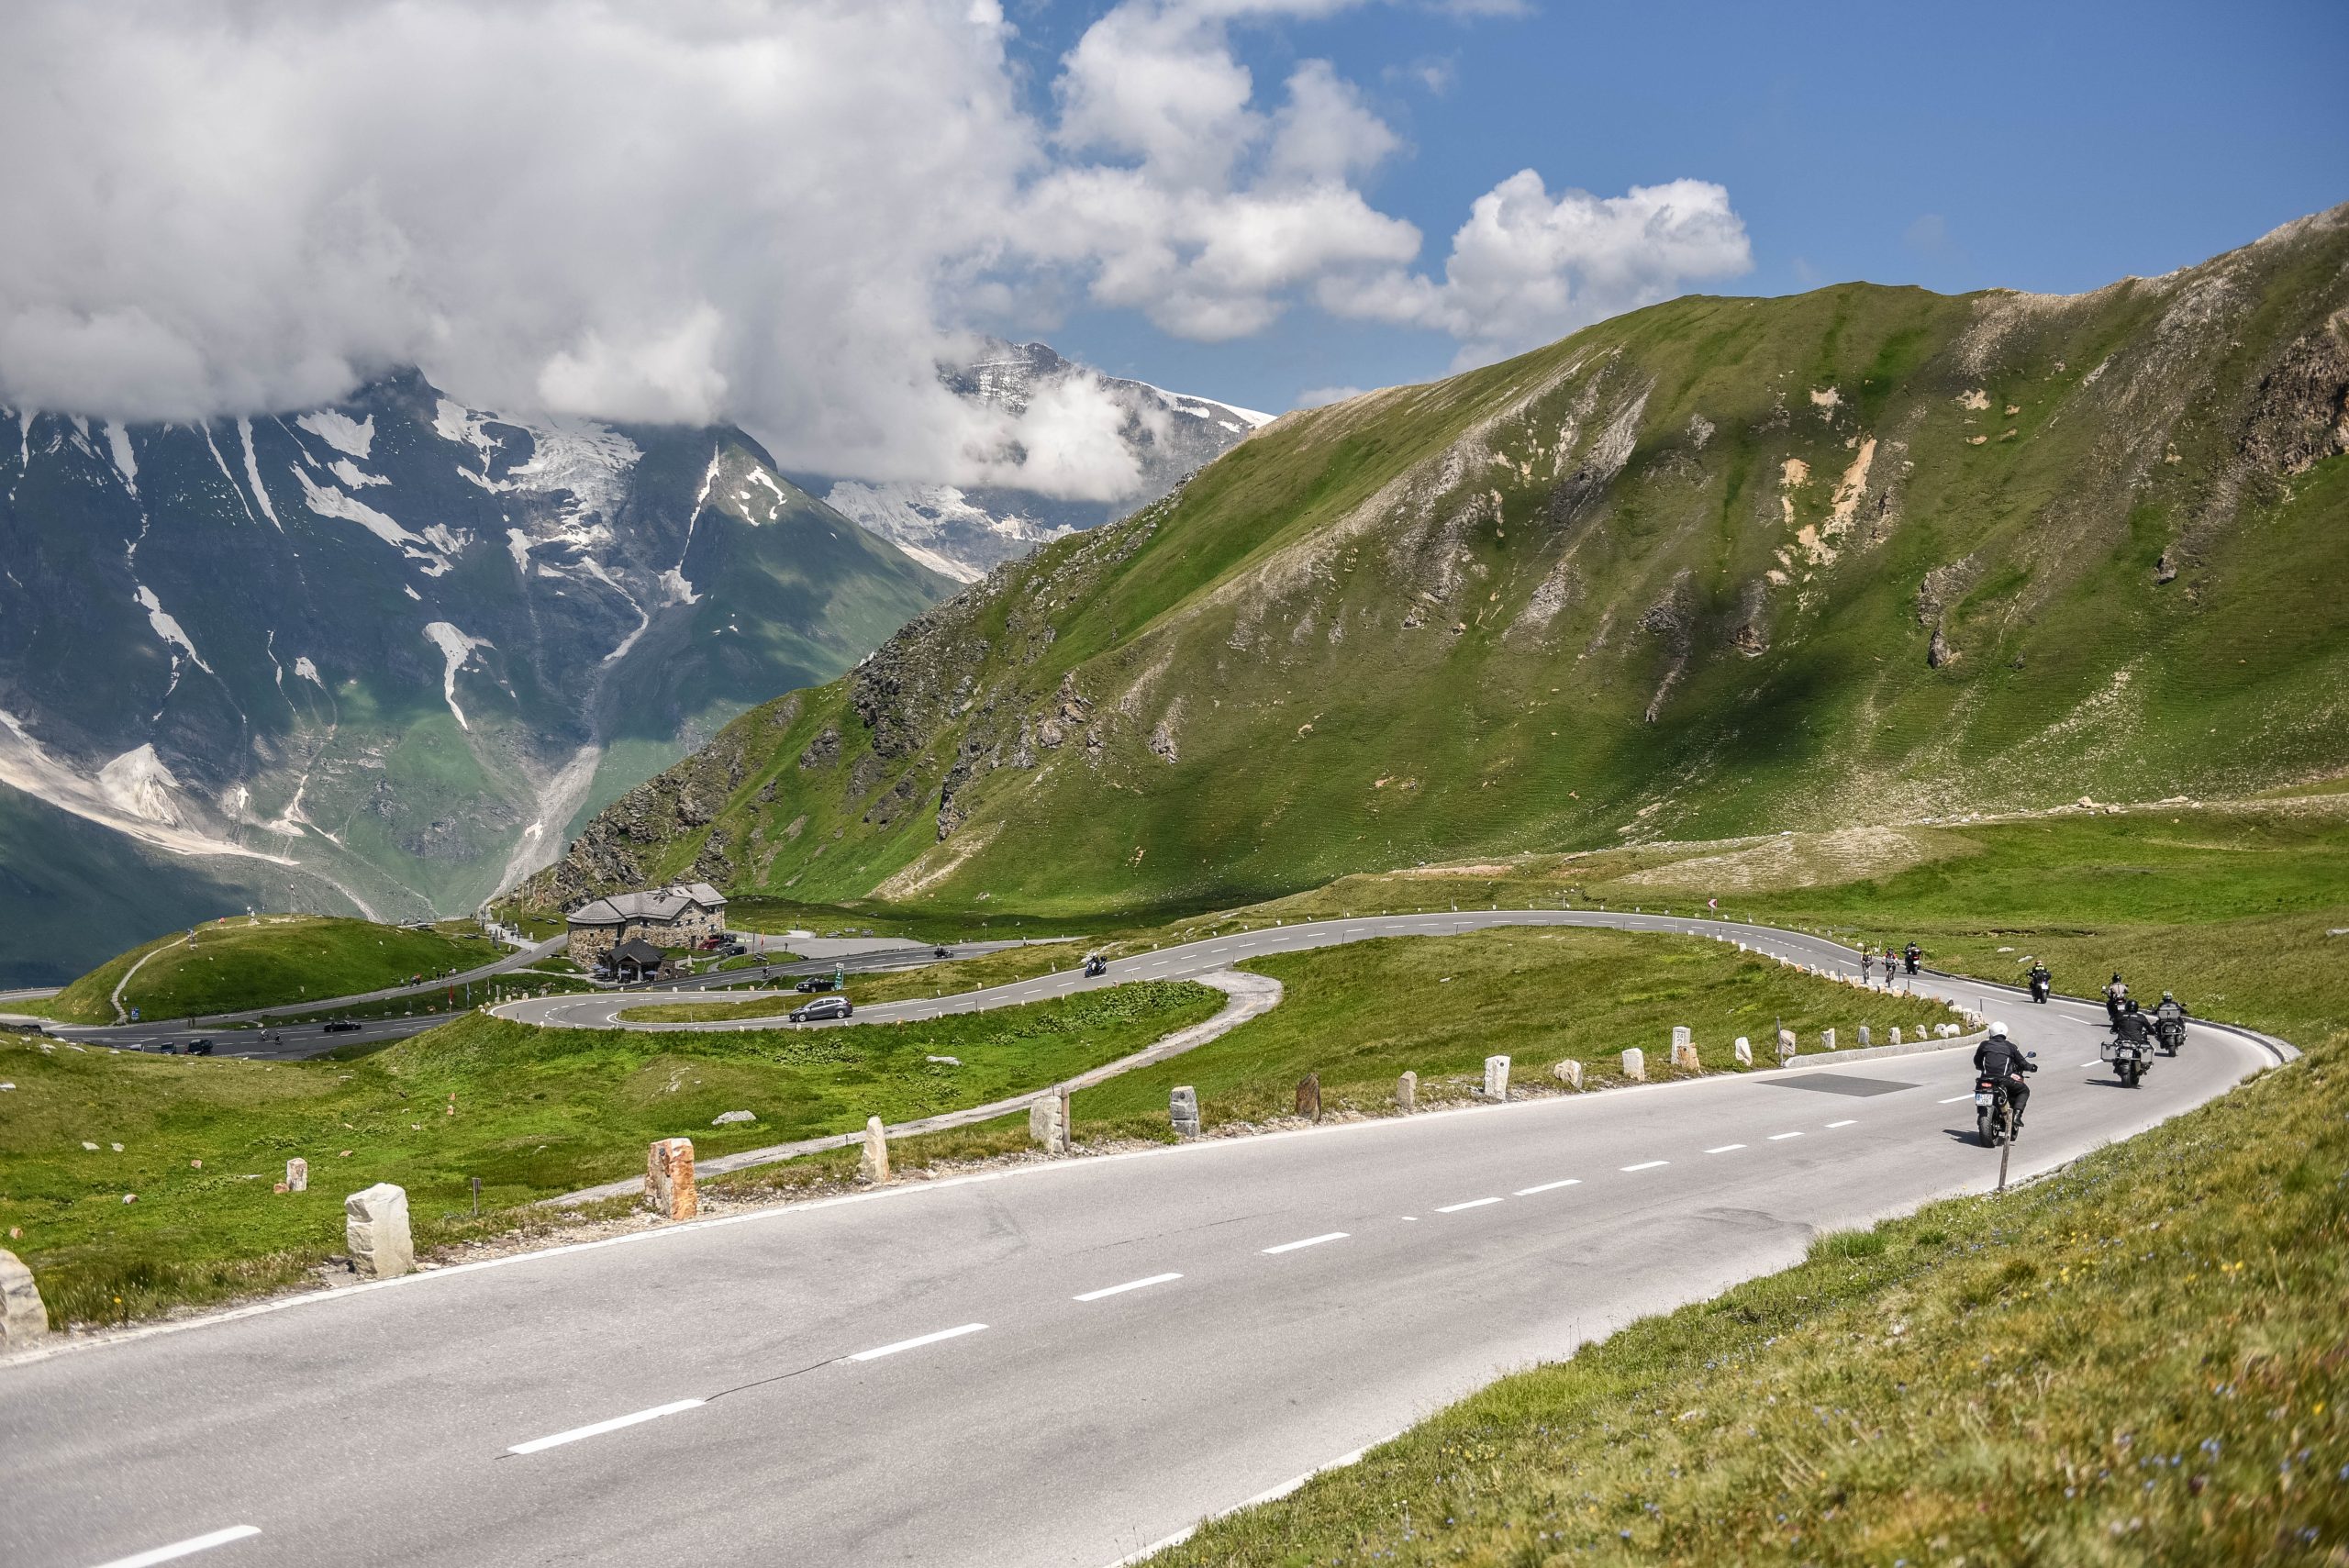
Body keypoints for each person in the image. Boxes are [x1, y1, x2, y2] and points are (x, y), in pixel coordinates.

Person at [1974, 1021, 2036, 1131]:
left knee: (1979, 1089)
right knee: (2024, 1090)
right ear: (2005, 1033)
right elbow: (2022, 1062)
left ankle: (1981, 1112)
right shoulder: (2010, 1047)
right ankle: (2017, 1116)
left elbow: (1977, 1060)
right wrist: (2031, 1067)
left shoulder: (1984, 1045)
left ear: (1991, 1032)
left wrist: (1981, 1068)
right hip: (2003, 1080)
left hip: (1984, 1079)